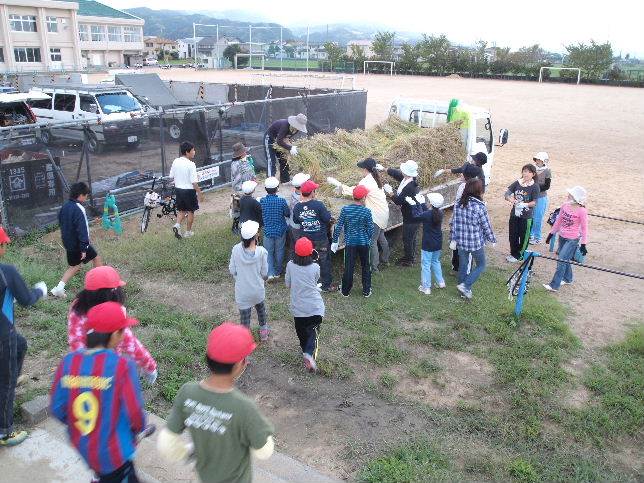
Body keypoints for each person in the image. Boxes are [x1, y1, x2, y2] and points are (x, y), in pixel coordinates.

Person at [157, 323, 274, 483]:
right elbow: (264, 451)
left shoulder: (187, 392)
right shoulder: (244, 408)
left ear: (208, 357)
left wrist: (186, 451)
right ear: (240, 364)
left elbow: (167, 443)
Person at [50, 301, 146, 482]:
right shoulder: (122, 366)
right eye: (123, 330)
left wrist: (81, 428)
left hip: (82, 444)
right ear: (115, 335)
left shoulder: (68, 362)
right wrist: (137, 430)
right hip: (114, 454)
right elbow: (135, 413)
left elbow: (57, 408)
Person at [67, 266, 157, 384]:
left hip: (82, 369)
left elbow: (75, 340)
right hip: (109, 370)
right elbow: (131, 344)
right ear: (111, 293)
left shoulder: (77, 306)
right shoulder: (114, 314)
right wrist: (151, 367)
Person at [0, 227, 46, 447]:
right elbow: (27, 299)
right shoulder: (6, 271)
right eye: (4, 244)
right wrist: (40, 290)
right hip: (2, 336)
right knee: (5, 384)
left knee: (21, 345)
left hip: (8, 336)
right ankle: (4, 432)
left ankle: (13, 375)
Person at [330, 157, 390, 273]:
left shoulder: (367, 181)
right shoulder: (376, 178)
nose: (361, 170)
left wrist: (340, 186)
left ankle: (374, 267)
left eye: (362, 168)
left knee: (372, 242)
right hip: (384, 213)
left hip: (376, 216)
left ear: (365, 169)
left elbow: (356, 191)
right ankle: (385, 259)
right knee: (381, 237)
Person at [51, 182, 103, 298]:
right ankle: (101, 285)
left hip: (68, 243)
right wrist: (84, 247)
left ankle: (58, 288)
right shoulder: (79, 208)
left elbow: (65, 224)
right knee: (96, 257)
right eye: (86, 195)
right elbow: (82, 228)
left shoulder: (64, 207)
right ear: (81, 195)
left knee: (75, 266)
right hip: (79, 244)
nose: (86, 197)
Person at [450, 178, 497, 300]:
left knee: (463, 265)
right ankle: (466, 285)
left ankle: (463, 291)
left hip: (461, 241)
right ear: (478, 191)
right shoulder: (479, 207)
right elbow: (486, 226)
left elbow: (454, 223)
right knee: (481, 265)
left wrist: (453, 238)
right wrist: (492, 239)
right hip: (475, 243)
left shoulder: (458, 204)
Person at [285, 237, 325, 373]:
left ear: (294, 252)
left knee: (302, 333)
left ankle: (305, 353)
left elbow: (287, 284)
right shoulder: (315, 267)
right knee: (312, 332)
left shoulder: (290, 265)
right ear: (310, 253)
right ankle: (309, 354)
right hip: (315, 308)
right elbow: (315, 281)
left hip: (298, 310)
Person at [229, 220, 270, 341]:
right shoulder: (262, 251)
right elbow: (264, 273)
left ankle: (245, 340)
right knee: (261, 311)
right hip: (257, 290)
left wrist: (239, 277)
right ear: (256, 236)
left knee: (245, 318)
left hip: (242, 292)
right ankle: (264, 333)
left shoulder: (236, 249)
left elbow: (232, 270)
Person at [543, 186, 588, 292]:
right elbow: (558, 221)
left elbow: (585, 228)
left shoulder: (582, 211)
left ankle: (554, 285)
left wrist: (583, 244)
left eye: (571, 194)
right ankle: (568, 278)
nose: (568, 195)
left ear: (576, 198)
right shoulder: (565, 206)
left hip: (572, 239)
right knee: (564, 258)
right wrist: (551, 233)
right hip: (562, 236)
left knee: (561, 260)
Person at [292, 180, 336, 292]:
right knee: (324, 261)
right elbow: (327, 219)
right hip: (320, 238)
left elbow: (296, 221)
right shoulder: (319, 205)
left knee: (308, 261)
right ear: (312, 192)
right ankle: (326, 285)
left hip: (306, 240)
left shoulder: (297, 207)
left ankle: (310, 283)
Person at [331, 185, 374, 297]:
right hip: (364, 243)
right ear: (364, 198)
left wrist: (335, 241)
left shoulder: (346, 209)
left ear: (353, 197)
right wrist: (367, 238)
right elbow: (370, 229)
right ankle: (366, 290)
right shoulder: (367, 211)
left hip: (350, 243)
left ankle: (345, 291)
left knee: (349, 266)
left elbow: (338, 226)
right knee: (366, 266)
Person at [409, 193, 446, 295]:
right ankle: (441, 282)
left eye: (428, 201)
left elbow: (416, 216)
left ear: (431, 203)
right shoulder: (440, 212)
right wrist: (421, 204)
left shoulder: (427, 215)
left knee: (426, 265)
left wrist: (413, 205)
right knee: (435, 261)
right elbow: (427, 212)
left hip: (428, 243)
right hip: (438, 242)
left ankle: (426, 287)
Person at [385, 160, 420, 267]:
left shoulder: (410, 187)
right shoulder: (409, 179)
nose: (401, 171)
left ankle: (408, 260)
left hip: (411, 217)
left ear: (406, 172)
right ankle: (411, 256)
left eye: (403, 170)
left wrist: (390, 192)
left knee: (408, 238)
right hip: (413, 215)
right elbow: (397, 174)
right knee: (411, 237)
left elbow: (399, 200)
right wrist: (385, 169)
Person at [504, 164, 540, 262]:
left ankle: (520, 255)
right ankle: (513, 254)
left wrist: (525, 205)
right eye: (524, 171)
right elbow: (507, 194)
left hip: (526, 216)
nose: (526, 173)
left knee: (524, 237)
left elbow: (535, 202)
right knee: (513, 235)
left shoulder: (535, 187)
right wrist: (511, 199)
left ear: (533, 174)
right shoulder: (517, 183)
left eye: (528, 172)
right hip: (514, 214)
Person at [169, 141, 204, 239]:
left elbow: (171, 176)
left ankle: (177, 225)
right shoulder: (191, 164)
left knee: (181, 210)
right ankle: (188, 232)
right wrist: (200, 193)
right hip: (189, 191)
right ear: (187, 152)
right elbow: (193, 182)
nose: (194, 152)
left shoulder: (176, 161)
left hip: (178, 190)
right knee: (190, 211)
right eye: (193, 150)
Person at [260, 177, 290, 280]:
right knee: (280, 250)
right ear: (277, 188)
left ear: (265, 189)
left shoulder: (262, 201)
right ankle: (278, 271)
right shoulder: (282, 201)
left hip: (268, 230)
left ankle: (270, 273)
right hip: (280, 230)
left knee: (268, 252)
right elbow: (287, 213)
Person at [264, 113, 308, 183]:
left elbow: (286, 138)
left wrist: (291, 147)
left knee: (284, 159)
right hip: (270, 139)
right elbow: (279, 141)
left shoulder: (296, 129)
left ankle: (285, 180)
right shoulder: (285, 125)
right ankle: (270, 182)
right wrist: (290, 148)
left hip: (280, 141)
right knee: (271, 161)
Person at [529, 152, 552, 245]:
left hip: (541, 198)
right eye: (537, 160)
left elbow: (547, 186)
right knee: (531, 216)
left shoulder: (547, 171)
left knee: (538, 218)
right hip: (532, 197)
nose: (537, 161)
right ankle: (531, 235)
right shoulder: (533, 169)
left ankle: (537, 237)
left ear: (544, 161)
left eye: (540, 160)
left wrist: (535, 189)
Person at [287, 172, 310, 256]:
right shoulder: (300, 199)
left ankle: (291, 261)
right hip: (298, 227)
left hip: (291, 224)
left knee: (292, 245)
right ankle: (298, 262)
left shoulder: (294, 193)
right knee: (299, 246)